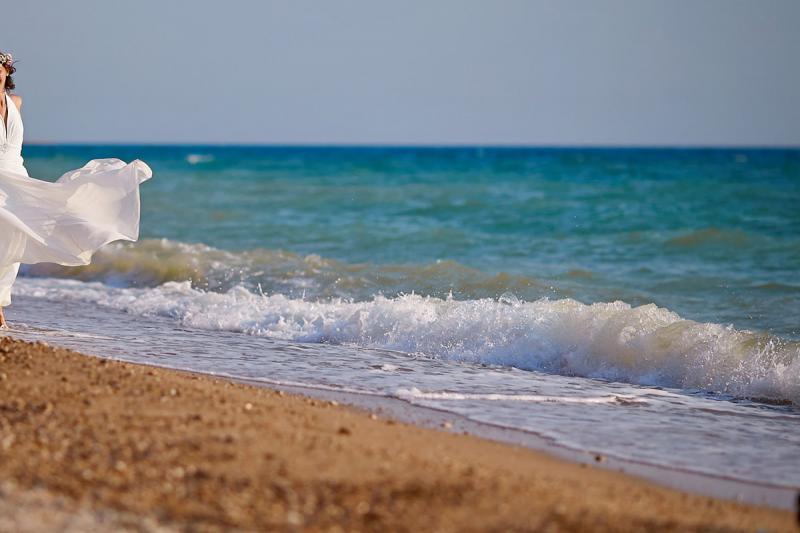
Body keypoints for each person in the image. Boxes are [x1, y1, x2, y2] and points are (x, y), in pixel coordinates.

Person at [0, 50, 152, 328]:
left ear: (7, 71)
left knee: (14, 243)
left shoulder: (17, 103)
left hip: (19, 180)